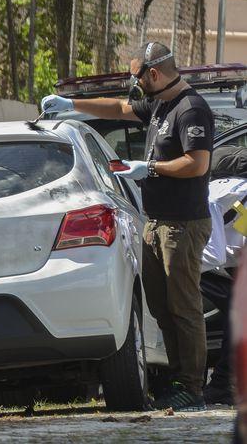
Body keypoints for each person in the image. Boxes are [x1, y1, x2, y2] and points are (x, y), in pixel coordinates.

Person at [42, 42, 214, 411]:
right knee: (162, 306)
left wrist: (149, 168)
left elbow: (197, 163)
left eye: (136, 76)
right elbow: (120, 109)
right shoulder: (160, 104)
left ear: (153, 73)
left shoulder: (191, 108)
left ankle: (193, 387)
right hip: (156, 222)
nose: (133, 85)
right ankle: (176, 379)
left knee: (184, 306)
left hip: (182, 225)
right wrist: (73, 107)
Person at [199, 146, 247, 406]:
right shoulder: (236, 191)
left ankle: (221, 386)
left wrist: (176, 271)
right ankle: (223, 385)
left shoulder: (213, 193)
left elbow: (215, 255)